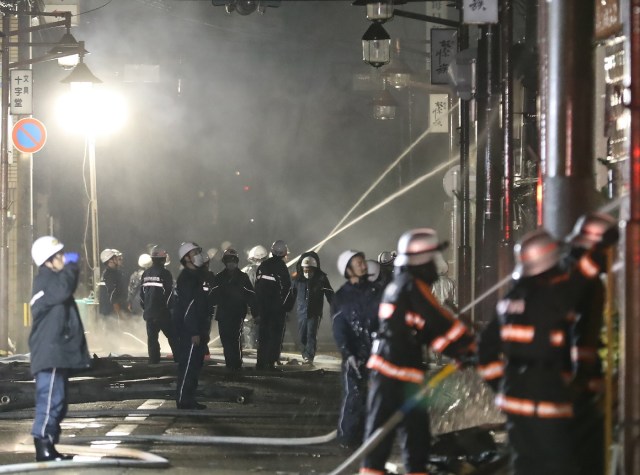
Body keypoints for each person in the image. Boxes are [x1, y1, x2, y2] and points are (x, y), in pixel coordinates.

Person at [477, 227, 615, 475]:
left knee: (524, 464)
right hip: (545, 397)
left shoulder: (508, 301)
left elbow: (484, 351)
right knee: (558, 466)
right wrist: (599, 248)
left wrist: (502, 384)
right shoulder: (551, 298)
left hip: (514, 398)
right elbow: (580, 280)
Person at [360, 229, 476, 474]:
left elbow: (429, 328)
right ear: (422, 261)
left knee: (412, 437)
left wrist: (458, 348)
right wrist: (466, 347)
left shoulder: (405, 285)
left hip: (397, 371)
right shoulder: (412, 287)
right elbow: (438, 322)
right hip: (395, 372)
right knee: (393, 437)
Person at [565, 212, 618, 475]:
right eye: (609, 248)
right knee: (588, 458)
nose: (613, 255)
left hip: (556, 384)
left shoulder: (564, 270)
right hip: (572, 388)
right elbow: (581, 336)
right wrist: (586, 378)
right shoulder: (586, 281)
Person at [29, 236, 90, 461]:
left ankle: (49, 445)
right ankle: (43, 446)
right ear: (48, 260)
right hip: (49, 354)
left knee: (59, 402)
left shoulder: (51, 281)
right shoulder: (47, 281)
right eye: (59, 255)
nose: (63, 258)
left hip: (55, 353)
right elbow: (64, 289)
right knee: (50, 400)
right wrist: (72, 266)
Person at [332, 250, 382, 449]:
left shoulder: (376, 292)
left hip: (378, 353)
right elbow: (340, 328)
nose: (364, 266)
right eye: (358, 263)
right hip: (355, 355)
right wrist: (348, 353)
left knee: (377, 397)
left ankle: (372, 438)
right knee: (354, 397)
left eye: (363, 262)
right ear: (348, 269)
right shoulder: (341, 297)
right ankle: (349, 439)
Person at [173, 242, 212, 409]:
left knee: (196, 366)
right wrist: (194, 331)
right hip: (190, 331)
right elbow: (188, 307)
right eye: (195, 252)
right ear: (186, 258)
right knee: (188, 365)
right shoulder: (186, 278)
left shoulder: (197, 275)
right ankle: (183, 399)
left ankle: (190, 398)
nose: (198, 254)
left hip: (200, 328)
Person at [211, 248, 257, 370]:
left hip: (237, 314)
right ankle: (230, 365)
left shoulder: (243, 277)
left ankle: (236, 365)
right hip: (223, 315)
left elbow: (250, 295)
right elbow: (212, 297)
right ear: (224, 261)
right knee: (226, 340)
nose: (231, 262)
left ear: (236, 261)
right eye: (228, 260)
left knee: (234, 339)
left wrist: (256, 312)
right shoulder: (219, 278)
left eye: (233, 260)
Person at [255, 240, 293, 370]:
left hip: (263, 309)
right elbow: (287, 289)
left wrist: (257, 309)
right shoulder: (282, 267)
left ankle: (260, 363)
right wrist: (286, 307)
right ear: (284, 253)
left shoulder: (263, 266)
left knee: (263, 336)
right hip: (277, 309)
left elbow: (257, 289)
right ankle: (270, 363)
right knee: (275, 336)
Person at [291, 252, 334, 364]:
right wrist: (285, 308)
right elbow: (290, 295)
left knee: (311, 334)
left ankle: (309, 357)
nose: (308, 272)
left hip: (314, 312)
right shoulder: (297, 280)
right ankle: (304, 353)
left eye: (310, 270)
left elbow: (330, 293)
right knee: (302, 336)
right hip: (301, 312)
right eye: (305, 270)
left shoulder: (321, 279)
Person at [140, 247, 178, 364]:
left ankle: (153, 363)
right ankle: (180, 361)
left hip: (149, 314)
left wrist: (146, 308)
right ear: (164, 259)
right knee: (173, 337)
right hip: (162, 313)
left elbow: (142, 295)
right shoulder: (165, 273)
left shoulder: (145, 273)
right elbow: (169, 294)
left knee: (152, 340)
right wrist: (170, 309)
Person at [98, 248, 129, 328]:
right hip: (111, 314)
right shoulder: (109, 275)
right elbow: (112, 296)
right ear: (110, 260)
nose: (119, 259)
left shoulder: (115, 273)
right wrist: (120, 315)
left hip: (113, 312)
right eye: (115, 258)